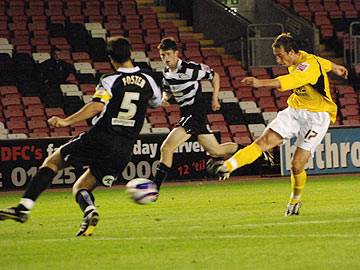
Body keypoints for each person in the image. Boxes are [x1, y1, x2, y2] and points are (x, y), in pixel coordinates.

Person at [0, 37, 162, 236]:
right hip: (124, 149)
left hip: (101, 137)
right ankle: (89, 211)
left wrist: (66, 121)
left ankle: (23, 208)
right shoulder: (149, 80)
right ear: (131, 54)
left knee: (52, 162)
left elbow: (96, 106)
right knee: (81, 187)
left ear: (111, 59)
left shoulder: (110, 80)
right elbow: (156, 102)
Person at [210, 33, 348, 216]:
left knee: (297, 165)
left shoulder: (307, 67)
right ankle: (227, 166)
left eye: (280, 55)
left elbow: (289, 81)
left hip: (317, 116)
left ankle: (295, 200)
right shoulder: (303, 57)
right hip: (295, 110)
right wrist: (336, 67)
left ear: (291, 52)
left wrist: (260, 82)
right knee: (263, 142)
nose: (277, 59)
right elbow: (324, 62)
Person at [152, 37, 239, 192]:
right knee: (216, 151)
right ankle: (254, 150)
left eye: (167, 54)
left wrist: (214, 98)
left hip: (194, 112)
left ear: (176, 53)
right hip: (186, 113)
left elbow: (215, 75)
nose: (165, 59)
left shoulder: (189, 68)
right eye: (162, 56)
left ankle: (154, 188)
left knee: (166, 148)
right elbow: (167, 91)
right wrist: (165, 99)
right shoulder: (166, 73)